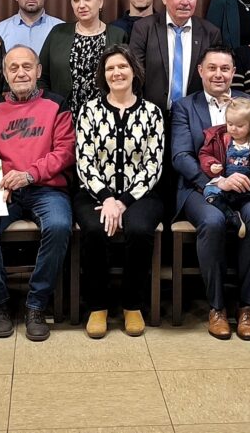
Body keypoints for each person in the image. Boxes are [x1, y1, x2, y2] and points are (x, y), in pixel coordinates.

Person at [0, 46, 74, 342]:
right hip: (5, 192)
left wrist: (30, 174)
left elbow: (65, 152)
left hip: (46, 188)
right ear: (4, 74)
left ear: (39, 71)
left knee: (59, 225)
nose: (20, 73)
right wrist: (2, 181)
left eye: (27, 66)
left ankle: (36, 305)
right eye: (13, 68)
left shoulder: (57, 104)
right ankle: (0, 305)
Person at [171, 45, 250, 340]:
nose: (219, 74)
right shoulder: (184, 107)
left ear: (233, 73)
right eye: (212, 68)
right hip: (198, 189)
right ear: (200, 71)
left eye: (225, 69)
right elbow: (180, 156)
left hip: (246, 191)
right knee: (213, 221)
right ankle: (216, 308)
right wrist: (215, 182)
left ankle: (247, 307)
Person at [74, 45, 164, 338]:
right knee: (94, 228)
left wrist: (123, 201)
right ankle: (97, 306)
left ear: (134, 72)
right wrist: (107, 199)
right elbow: (84, 160)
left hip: (140, 195)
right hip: (94, 194)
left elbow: (153, 164)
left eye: (122, 67)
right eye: (110, 68)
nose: (117, 73)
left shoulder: (152, 112)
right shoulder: (89, 110)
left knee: (139, 230)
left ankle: (132, 304)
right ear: (103, 75)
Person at [129, 0, 222, 110]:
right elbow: (134, 75)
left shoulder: (210, 33)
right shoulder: (143, 29)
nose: (185, 2)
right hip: (151, 114)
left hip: (194, 115)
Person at [38, 0, 128, 115]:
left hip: (107, 119)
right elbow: (41, 76)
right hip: (63, 118)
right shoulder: (58, 33)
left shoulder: (118, 36)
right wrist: (52, 107)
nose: (81, 5)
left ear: (100, 2)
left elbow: (128, 79)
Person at [199, 97, 250, 236]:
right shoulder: (221, 139)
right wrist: (211, 165)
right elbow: (205, 153)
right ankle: (231, 216)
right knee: (209, 192)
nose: (233, 128)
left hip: (249, 189)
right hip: (226, 187)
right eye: (230, 124)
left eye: (240, 126)